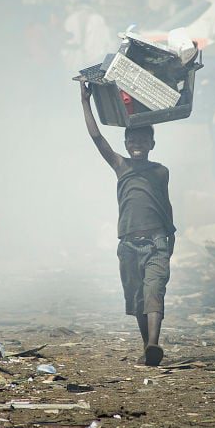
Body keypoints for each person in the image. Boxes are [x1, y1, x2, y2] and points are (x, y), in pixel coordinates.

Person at [80, 82, 175, 367]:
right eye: (132, 141)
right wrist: (85, 102)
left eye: (143, 141)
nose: (137, 145)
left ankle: (154, 343)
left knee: (153, 292)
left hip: (157, 242)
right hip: (129, 246)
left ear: (152, 145)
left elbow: (165, 206)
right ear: (125, 145)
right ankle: (148, 347)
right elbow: (97, 138)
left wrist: (172, 235)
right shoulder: (121, 166)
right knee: (137, 301)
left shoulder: (160, 171)